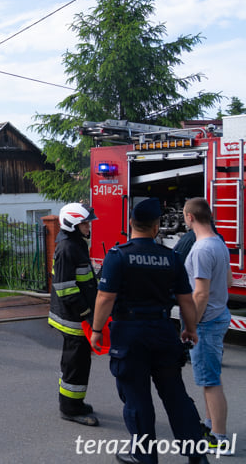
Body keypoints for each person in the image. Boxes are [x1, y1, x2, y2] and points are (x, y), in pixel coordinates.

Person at [90, 198, 209, 464]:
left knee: (137, 399)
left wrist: (97, 330)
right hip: (164, 332)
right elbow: (186, 299)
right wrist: (190, 329)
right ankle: (197, 456)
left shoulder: (118, 255)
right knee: (176, 396)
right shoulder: (171, 258)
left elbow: (105, 298)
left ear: (130, 223)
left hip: (130, 335)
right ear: (157, 227)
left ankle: (145, 458)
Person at [183, 198, 234, 456]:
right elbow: (229, 278)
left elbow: (200, 294)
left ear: (190, 217)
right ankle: (210, 426)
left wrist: (192, 324)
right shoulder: (219, 243)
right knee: (207, 379)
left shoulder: (201, 249)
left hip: (206, 322)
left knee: (211, 381)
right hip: (219, 315)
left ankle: (220, 438)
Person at [48, 202, 100, 426]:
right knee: (74, 364)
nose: (88, 226)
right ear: (72, 224)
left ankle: (75, 402)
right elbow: (65, 288)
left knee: (79, 363)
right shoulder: (67, 248)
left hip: (78, 317)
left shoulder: (75, 244)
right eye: (84, 223)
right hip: (74, 319)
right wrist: (87, 312)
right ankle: (69, 408)